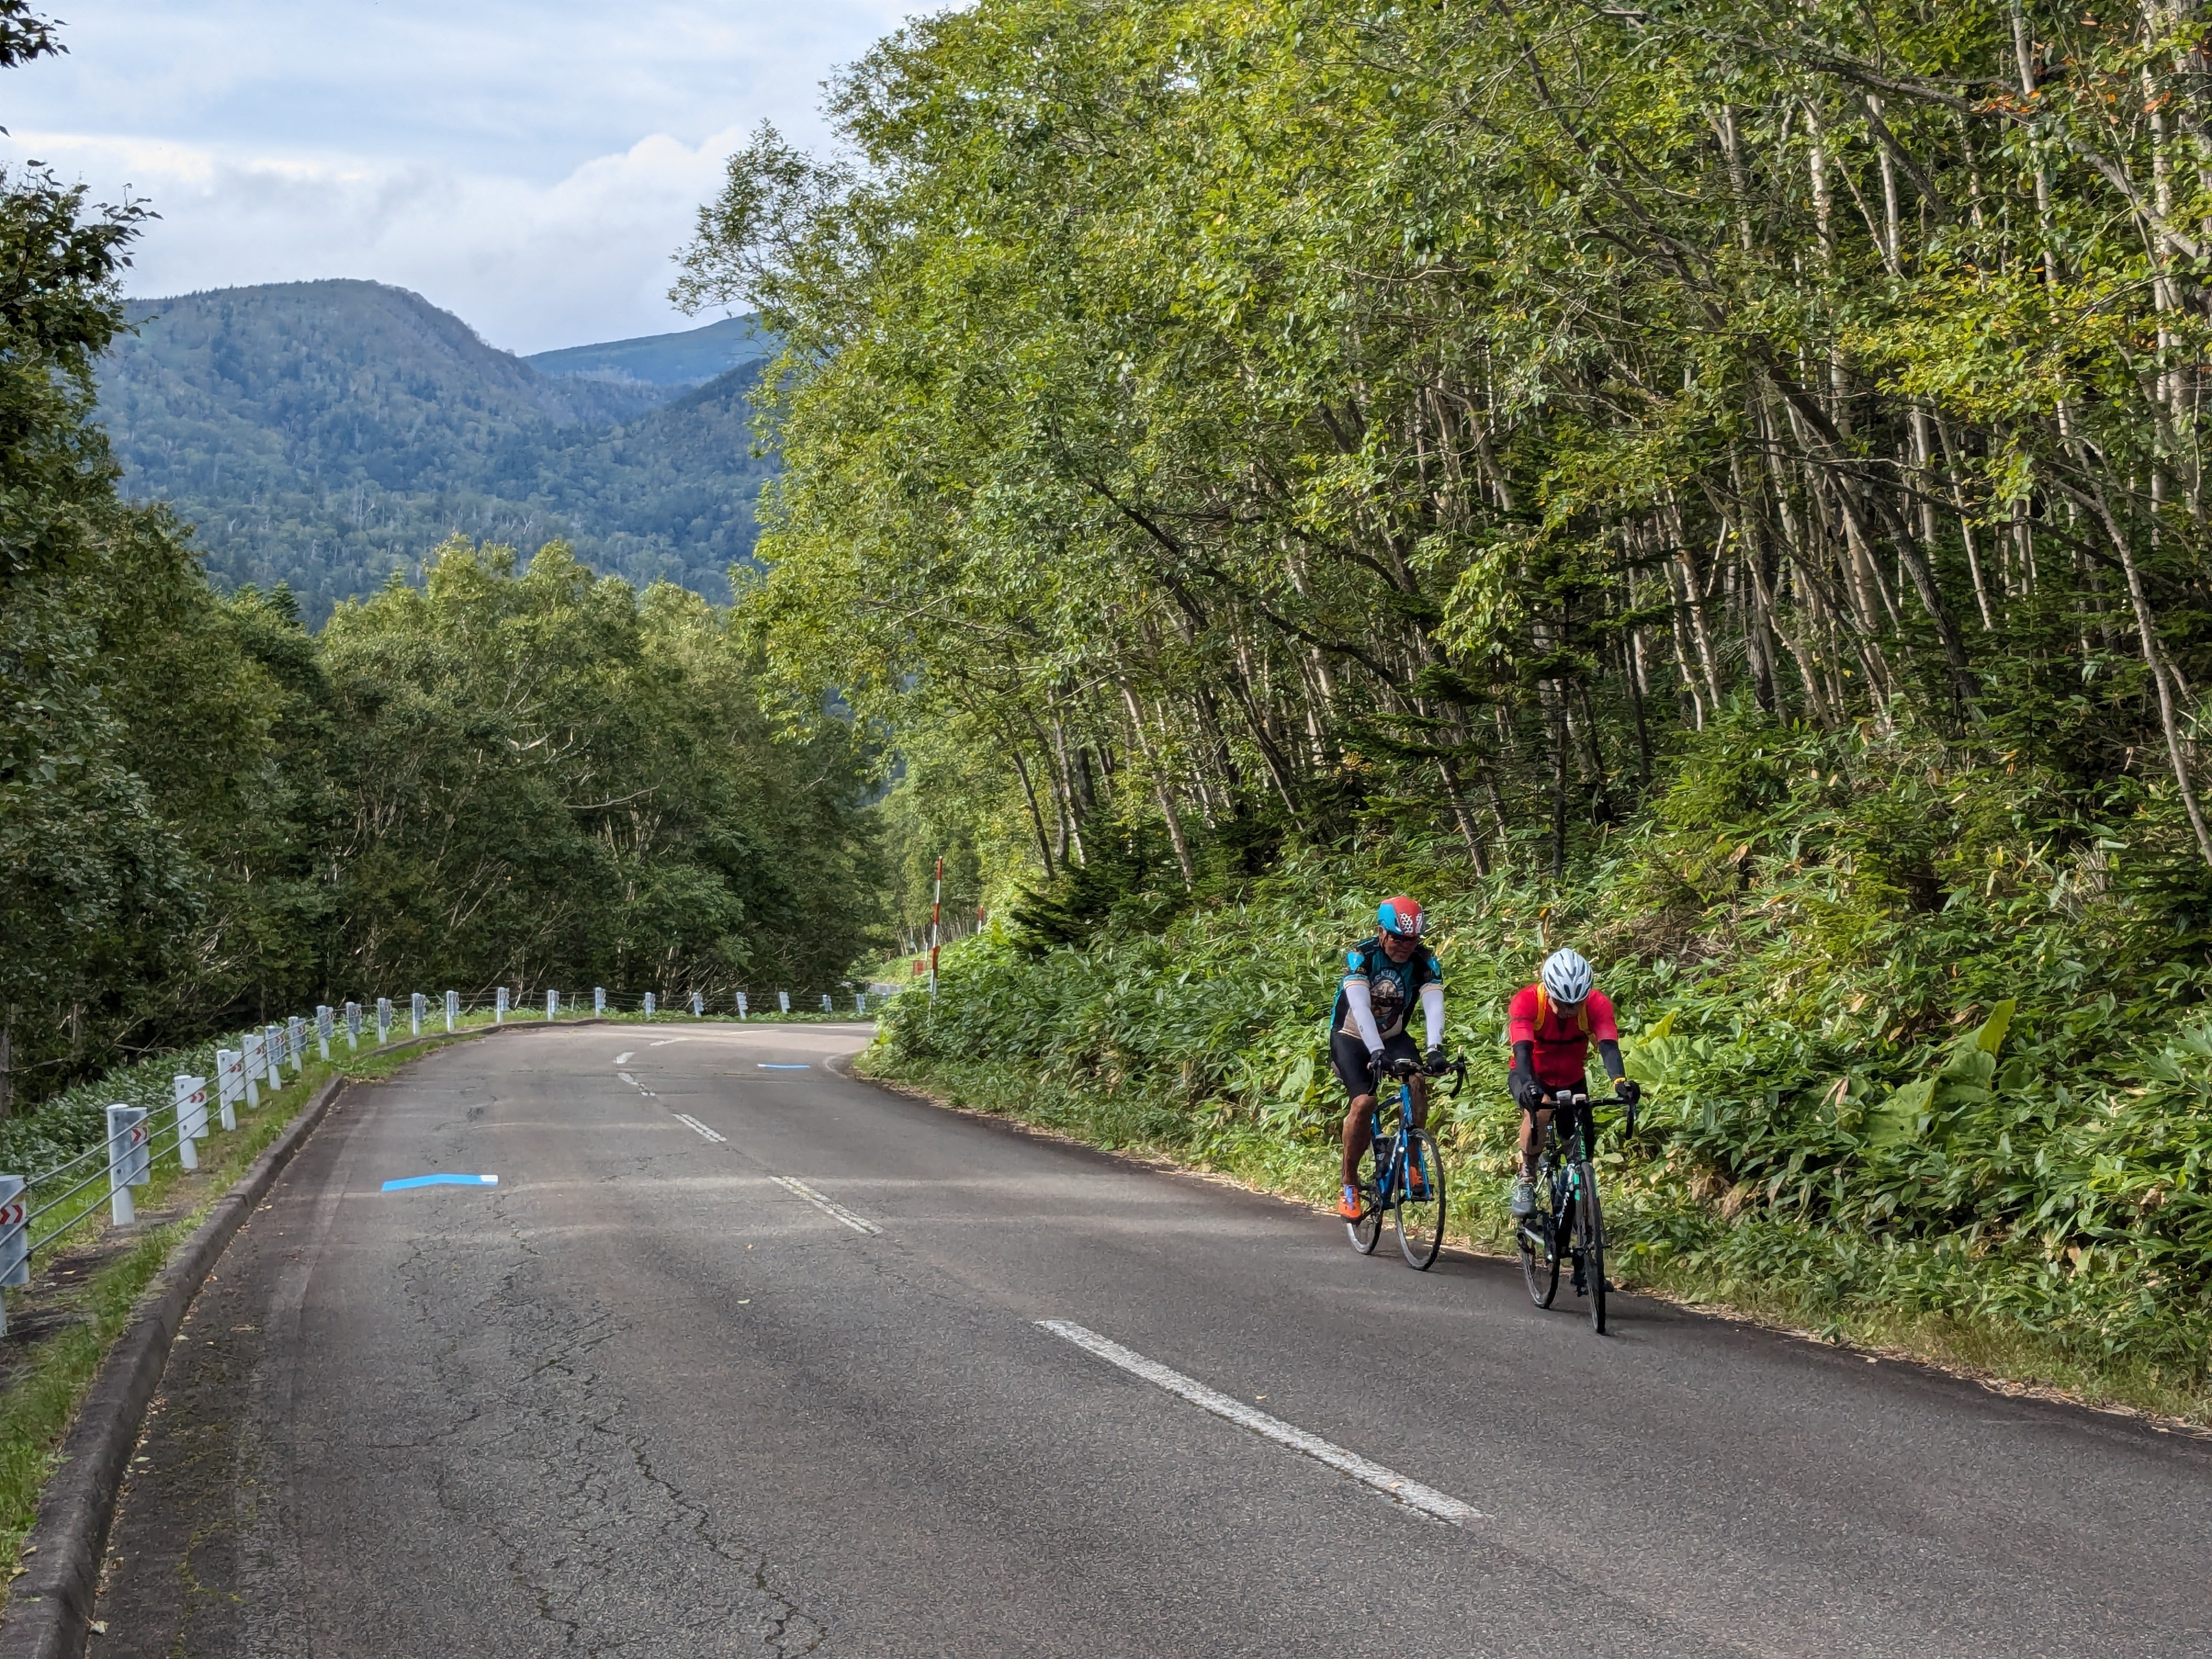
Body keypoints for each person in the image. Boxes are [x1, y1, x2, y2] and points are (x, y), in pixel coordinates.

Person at [1331, 896, 1447, 1220]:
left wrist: (1434, 1048)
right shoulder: (1362, 958)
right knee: (1364, 1103)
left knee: (1417, 1080)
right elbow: (1360, 1008)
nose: (1405, 946)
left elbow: (1433, 1006)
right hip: (1352, 1036)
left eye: (1412, 939)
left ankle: (1412, 1162)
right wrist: (1376, 1051)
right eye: (1398, 938)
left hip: (1393, 1037)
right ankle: (1349, 1184)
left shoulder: (1425, 963)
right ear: (1382, 933)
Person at [1507, 947, 1640, 1221]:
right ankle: (1527, 1177)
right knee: (1541, 1109)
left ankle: (1581, 1206)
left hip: (1572, 1079)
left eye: (1576, 1004)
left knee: (1582, 1147)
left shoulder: (1597, 1005)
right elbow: (1521, 1050)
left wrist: (1620, 1082)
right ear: (1549, 991)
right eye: (1562, 1004)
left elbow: (1608, 1046)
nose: (1569, 1011)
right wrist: (1531, 1086)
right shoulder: (1528, 1001)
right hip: (1531, 1075)